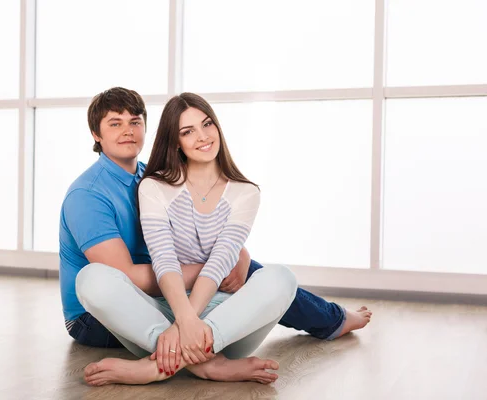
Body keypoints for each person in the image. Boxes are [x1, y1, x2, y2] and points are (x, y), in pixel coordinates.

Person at [59, 87, 372, 386]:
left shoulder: (150, 175)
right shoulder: (88, 195)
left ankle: (165, 360)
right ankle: (208, 362)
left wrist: (236, 255)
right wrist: (215, 268)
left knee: (269, 276)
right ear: (96, 135)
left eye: (135, 122)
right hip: (100, 313)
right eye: (115, 124)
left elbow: (203, 238)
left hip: (164, 294)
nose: (128, 130)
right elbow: (125, 276)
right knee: (93, 278)